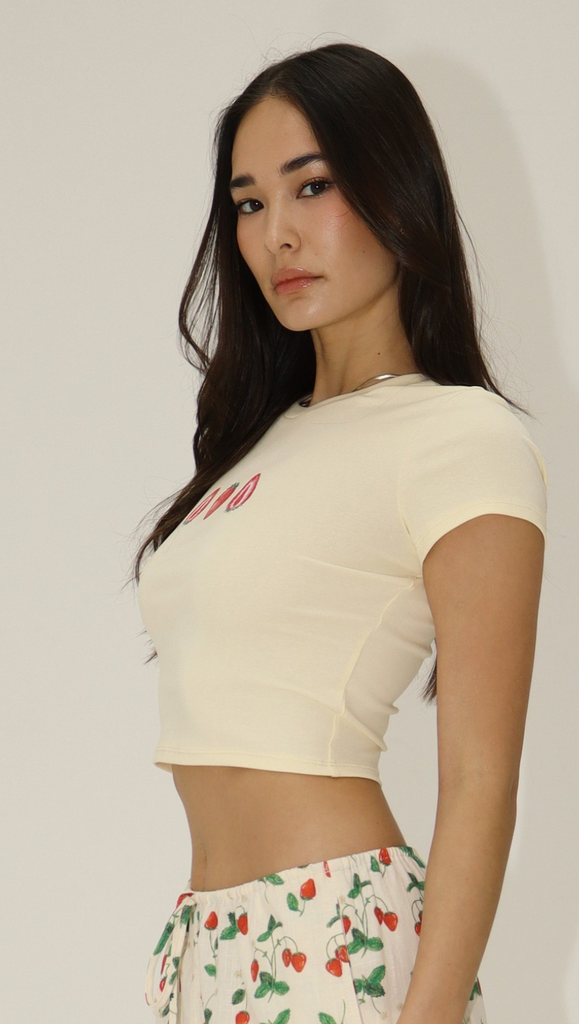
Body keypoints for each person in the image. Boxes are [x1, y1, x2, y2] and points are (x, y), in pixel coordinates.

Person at [132, 41, 548, 1024]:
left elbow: (480, 779)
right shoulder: (260, 440)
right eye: (248, 203)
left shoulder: (461, 436)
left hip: (333, 938)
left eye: (310, 186)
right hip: (206, 945)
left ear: (395, 188)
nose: (276, 234)